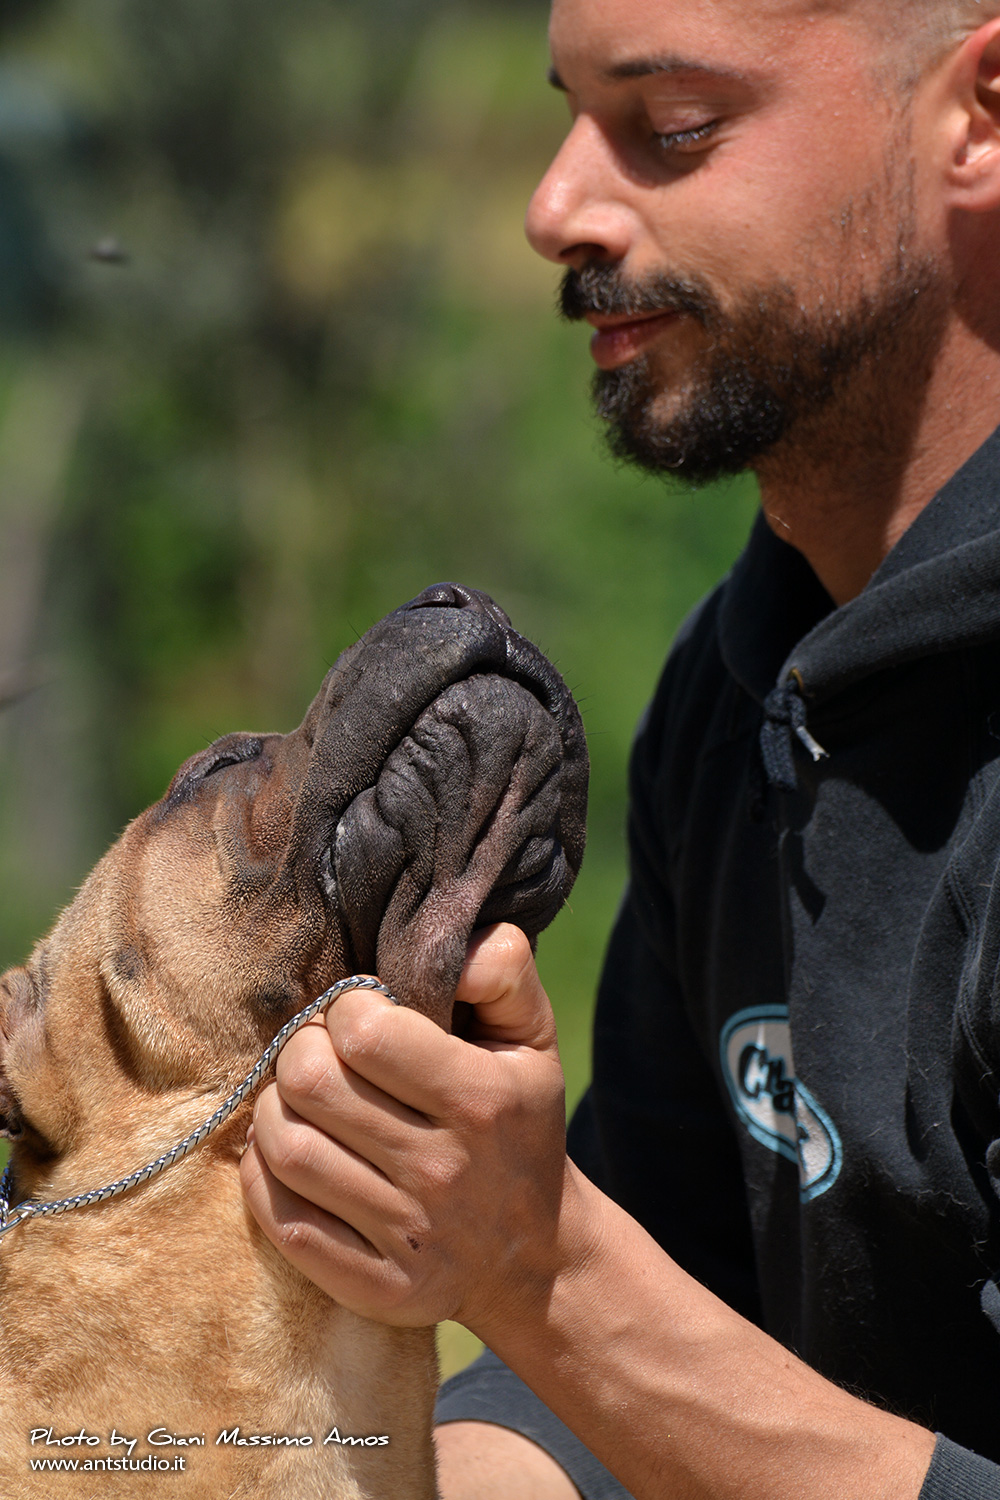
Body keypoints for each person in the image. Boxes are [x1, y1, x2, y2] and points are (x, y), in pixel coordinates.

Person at [239, 0, 1000, 1494]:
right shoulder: (752, 689)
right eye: (570, 115)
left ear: (977, 114)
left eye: (673, 129)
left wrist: (543, 1271)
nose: (552, 208)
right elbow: (642, 1368)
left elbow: (602, 1321)